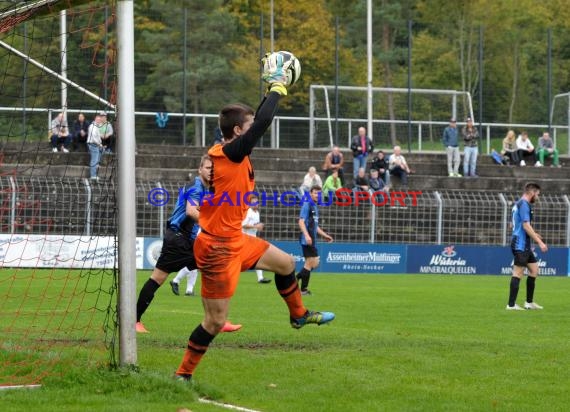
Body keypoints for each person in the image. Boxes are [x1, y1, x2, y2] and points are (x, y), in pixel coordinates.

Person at [174, 54, 335, 382]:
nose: (254, 133)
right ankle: (182, 375)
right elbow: (261, 124)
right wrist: (278, 87)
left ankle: (299, 316)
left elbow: (257, 120)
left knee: (287, 264)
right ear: (237, 131)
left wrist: (269, 90)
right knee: (215, 322)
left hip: (235, 239)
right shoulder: (230, 152)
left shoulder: (234, 150)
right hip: (218, 247)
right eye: (248, 129)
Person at [136, 155, 241, 334]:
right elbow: (191, 211)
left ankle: (217, 321)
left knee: (163, 277)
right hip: (177, 237)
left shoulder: (209, 190)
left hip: (184, 238)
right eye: (208, 168)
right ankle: (134, 321)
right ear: (200, 170)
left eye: (214, 169)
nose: (211, 172)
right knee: (161, 277)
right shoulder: (196, 187)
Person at [506, 182, 548, 310]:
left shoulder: (518, 203)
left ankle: (529, 303)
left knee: (534, 270)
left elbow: (514, 224)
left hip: (524, 243)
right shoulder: (524, 204)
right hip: (520, 244)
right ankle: (511, 305)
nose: (538, 197)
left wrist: (534, 234)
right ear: (532, 192)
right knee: (518, 273)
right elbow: (525, 225)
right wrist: (539, 242)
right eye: (538, 194)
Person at [297, 185, 333, 295]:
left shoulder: (315, 207)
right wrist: (307, 236)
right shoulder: (307, 205)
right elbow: (301, 222)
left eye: (319, 193)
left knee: (311, 264)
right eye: (315, 193)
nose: (318, 195)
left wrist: (325, 235)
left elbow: (315, 226)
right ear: (311, 194)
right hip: (307, 239)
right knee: (313, 263)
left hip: (312, 239)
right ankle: (302, 289)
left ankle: (297, 285)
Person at [242, 194, 272, 284]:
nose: (255, 204)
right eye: (253, 202)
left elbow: (255, 226)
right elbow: (243, 225)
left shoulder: (257, 213)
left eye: (256, 202)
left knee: (258, 256)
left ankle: (260, 278)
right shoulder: (248, 212)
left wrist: (259, 226)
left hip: (253, 239)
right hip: (245, 238)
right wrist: (256, 226)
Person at [87, 113, 105, 182]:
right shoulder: (93, 126)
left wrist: (100, 144)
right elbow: (94, 137)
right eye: (98, 119)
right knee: (94, 160)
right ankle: (93, 175)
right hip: (93, 144)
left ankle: (97, 164)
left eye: (100, 119)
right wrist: (99, 144)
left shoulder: (97, 126)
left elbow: (98, 136)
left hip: (96, 144)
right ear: (95, 119)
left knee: (102, 150)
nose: (99, 120)